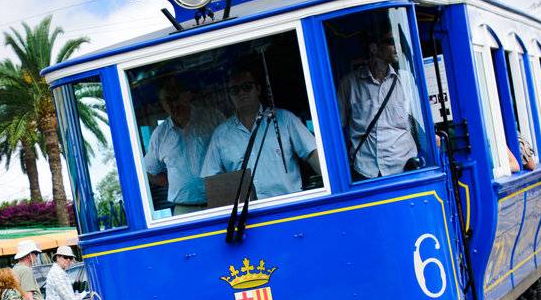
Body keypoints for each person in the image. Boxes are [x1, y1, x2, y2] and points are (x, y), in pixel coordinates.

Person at [200, 63, 320, 198]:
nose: (241, 93)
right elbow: (211, 181)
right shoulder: (220, 135)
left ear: (258, 89)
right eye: (235, 90)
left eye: (247, 87)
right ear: (230, 96)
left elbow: (313, 155)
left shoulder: (284, 119)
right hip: (246, 215)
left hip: (287, 205)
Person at [337, 29, 424, 180]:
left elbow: (419, 121)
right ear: (374, 48)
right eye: (391, 42)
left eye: (399, 42)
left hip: (405, 166)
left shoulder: (405, 79)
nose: (397, 47)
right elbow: (337, 127)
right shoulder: (349, 84)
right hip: (367, 170)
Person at [141, 81, 220, 212]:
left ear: (187, 96)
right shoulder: (160, 134)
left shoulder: (212, 117)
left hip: (220, 201)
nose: (173, 104)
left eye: (176, 98)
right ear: (162, 104)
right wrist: (174, 183)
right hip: (185, 208)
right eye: (167, 100)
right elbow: (149, 171)